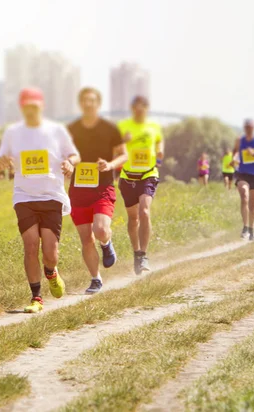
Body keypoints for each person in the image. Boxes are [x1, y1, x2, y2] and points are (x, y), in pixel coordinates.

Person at [0, 87, 80, 313]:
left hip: (52, 195)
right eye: (27, 106)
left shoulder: (56, 130)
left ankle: (51, 272)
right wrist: (1, 162)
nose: (31, 110)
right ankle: (36, 298)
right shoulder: (13, 132)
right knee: (31, 245)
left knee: (50, 253)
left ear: (42, 106)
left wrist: (70, 163)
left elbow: (74, 154)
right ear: (22, 108)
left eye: (35, 106)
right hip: (24, 196)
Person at [67, 87, 128, 294]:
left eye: (92, 100)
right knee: (85, 238)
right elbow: (63, 153)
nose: (88, 104)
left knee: (100, 230)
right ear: (80, 103)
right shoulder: (71, 129)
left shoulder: (110, 128)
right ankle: (95, 279)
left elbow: (123, 155)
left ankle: (107, 242)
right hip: (78, 189)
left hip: (103, 186)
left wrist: (110, 165)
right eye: (85, 100)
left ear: (98, 104)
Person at [117, 96, 164, 275]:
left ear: (146, 109)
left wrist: (160, 151)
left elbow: (159, 140)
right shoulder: (123, 126)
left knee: (144, 212)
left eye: (142, 108)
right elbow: (113, 149)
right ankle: (136, 253)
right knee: (133, 218)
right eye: (136, 108)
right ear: (132, 109)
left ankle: (144, 255)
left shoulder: (154, 127)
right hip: (128, 177)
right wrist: (123, 141)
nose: (139, 111)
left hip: (148, 174)